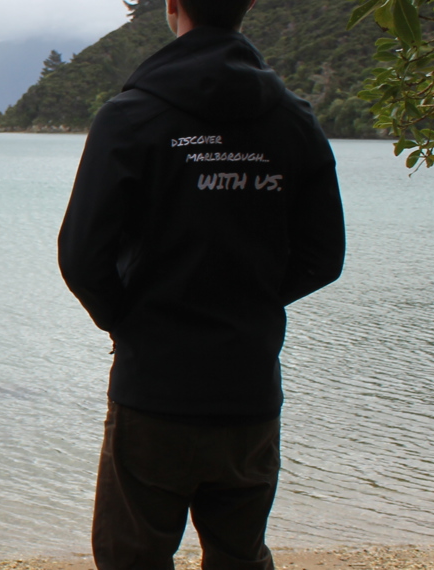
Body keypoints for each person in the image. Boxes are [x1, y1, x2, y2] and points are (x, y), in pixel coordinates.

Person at [57, 0, 347, 568]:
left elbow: (81, 254)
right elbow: (323, 257)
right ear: (248, 5)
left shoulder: (130, 115)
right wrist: (252, 300)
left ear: (173, 6)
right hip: (248, 387)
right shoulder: (294, 118)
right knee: (240, 556)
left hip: (154, 388)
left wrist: (130, 319)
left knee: (131, 557)